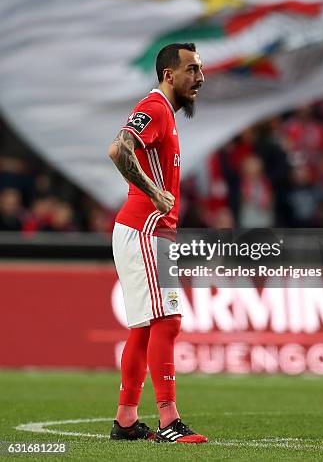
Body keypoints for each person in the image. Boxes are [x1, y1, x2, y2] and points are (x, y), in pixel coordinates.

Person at [107, 43, 207, 444]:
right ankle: (169, 422)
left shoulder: (165, 112)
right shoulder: (156, 108)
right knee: (167, 320)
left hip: (145, 230)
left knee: (144, 328)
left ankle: (127, 421)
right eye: (192, 70)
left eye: (200, 69)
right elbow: (118, 149)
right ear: (169, 75)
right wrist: (153, 190)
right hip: (146, 228)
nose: (199, 78)